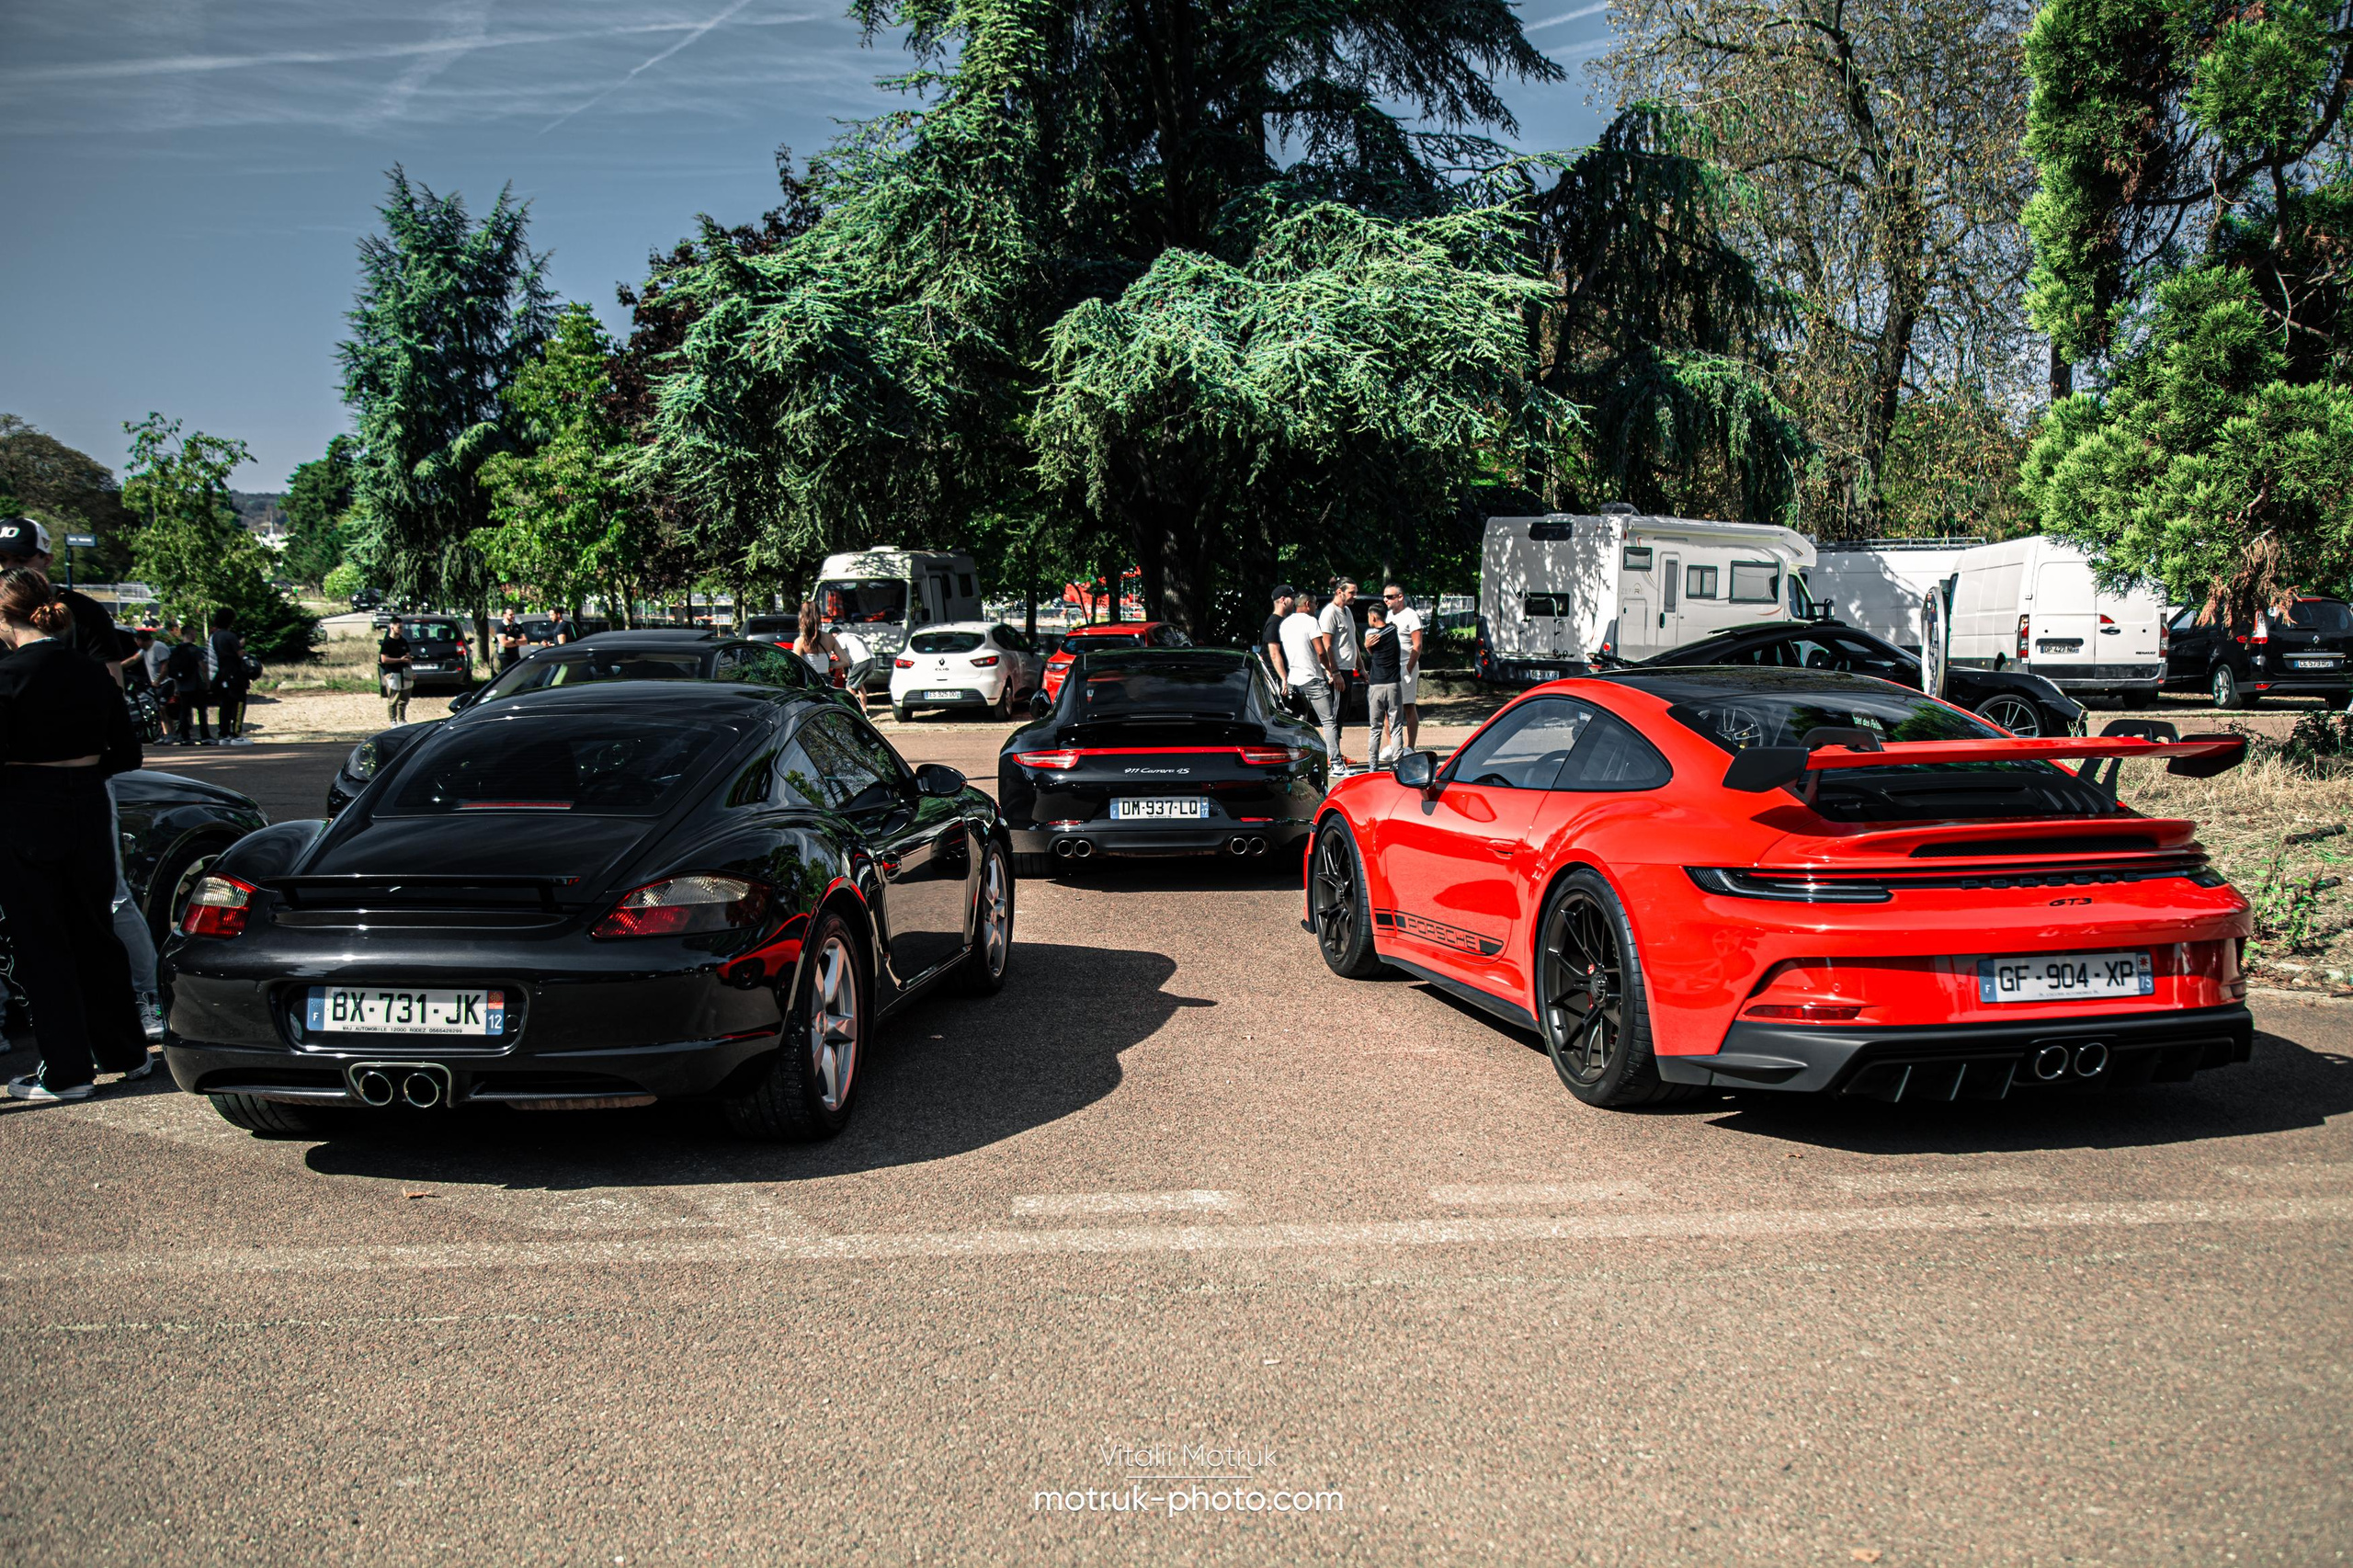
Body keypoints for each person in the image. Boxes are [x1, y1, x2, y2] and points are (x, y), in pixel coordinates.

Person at [0, 569, 150, 1103]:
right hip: (87, 801)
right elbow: (128, 755)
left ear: (4, 618)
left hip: (24, 807)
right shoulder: (91, 673)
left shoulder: (7, 675)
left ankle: (66, 1072)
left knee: (42, 943)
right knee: (95, 930)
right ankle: (127, 1052)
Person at [0, 517, 135, 676]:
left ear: (47, 560)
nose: (9, 567)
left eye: (21, 560)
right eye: (2, 559)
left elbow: (113, 686)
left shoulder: (85, 611)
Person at [1279, 585, 1341, 767]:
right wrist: (1330, 670)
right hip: (1312, 679)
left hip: (1293, 680)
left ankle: (1295, 762)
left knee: (1296, 724)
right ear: (1307, 604)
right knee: (1328, 721)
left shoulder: (1285, 624)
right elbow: (1320, 652)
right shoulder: (1311, 622)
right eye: (1315, 604)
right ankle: (1336, 763)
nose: (1316, 607)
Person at [1318, 579, 1361, 767]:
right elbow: (1326, 645)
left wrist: (1361, 668)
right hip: (1338, 672)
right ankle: (1331, 756)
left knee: (1342, 713)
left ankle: (1337, 753)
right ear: (1339, 592)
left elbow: (1352, 642)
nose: (1355, 596)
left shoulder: (1347, 611)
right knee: (1334, 716)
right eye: (1352, 592)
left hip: (1348, 670)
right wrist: (1334, 672)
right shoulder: (1329, 613)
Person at [1382, 584, 1427, 752]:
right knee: (1388, 708)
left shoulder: (1411, 616)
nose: (1386, 600)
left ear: (1400, 597)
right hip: (1390, 668)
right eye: (1385, 597)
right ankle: (1391, 745)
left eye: (1390, 597)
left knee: (1408, 706)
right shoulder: (1387, 616)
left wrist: (1408, 669)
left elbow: (1417, 646)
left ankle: (1410, 747)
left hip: (1405, 666)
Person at [1362, 599, 1404, 767]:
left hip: (1376, 685)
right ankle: (1398, 765)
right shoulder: (1393, 631)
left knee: (1375, 728)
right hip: (1393, 684)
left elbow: (1371, 651)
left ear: (1373, 618)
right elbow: (1392, 627)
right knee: (1396, 727)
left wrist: (1366, 646)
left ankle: (1373, 767)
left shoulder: (1370, 635)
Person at [210, 608, 253, 744]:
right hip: (235, 673)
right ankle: (236, 733)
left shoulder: (215, 636)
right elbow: (239, 654)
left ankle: (224, 734)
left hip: (222, 673)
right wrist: (243, 649)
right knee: (239, 703)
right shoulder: (230, 636)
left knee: (225, 705)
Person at [165, 620, 211, 744]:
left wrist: (176, 687)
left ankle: (185, 737)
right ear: (190, 633)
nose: (196, 635)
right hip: (195, 685)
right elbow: (203, 668)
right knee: (201, 711)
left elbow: (172, 670)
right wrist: (207, 683)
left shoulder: (176, 650)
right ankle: (205, 736)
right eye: (195, 633)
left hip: (182, 685)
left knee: (184, 712)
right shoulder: (194, 650)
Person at [792, 601, 848, 685]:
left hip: (809, 682)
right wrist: (826, 664)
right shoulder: (830, 638)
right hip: (826, 682)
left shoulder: (800, 641)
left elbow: (798, 667)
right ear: (819, 617)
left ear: (801, 617)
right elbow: (845, 662)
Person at [379, 619, 415, 724]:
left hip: (405, 672)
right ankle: (393, 721)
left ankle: (402, 719)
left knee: (405, 698)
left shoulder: (403, 641)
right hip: (392, 672)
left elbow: (408, 657)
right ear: (392, 627)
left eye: (402, 627)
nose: (401, 630)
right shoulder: (386, 643)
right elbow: (384, 659)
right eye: (399, 627)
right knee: (393, 698)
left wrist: (411, 671)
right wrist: (400, 660)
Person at [1261, 585, 1296, 685]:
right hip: (1276, 679)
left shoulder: (1282, 621)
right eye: (1292, 598)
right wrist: (1284, 678)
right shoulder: (1274, 623)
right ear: (1283, 600)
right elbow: (1274, 653)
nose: (1294, 602)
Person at [496, 608, 526, 672]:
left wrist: (514, 641)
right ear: (504, 615)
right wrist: (518, 642)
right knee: (507, 675)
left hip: (515, 655)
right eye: (510, 615)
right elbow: (504, 643)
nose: (513, 616)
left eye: (513, 614)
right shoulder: (501, 627)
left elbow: (525, 642)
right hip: (505, 656)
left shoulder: (518, 627)